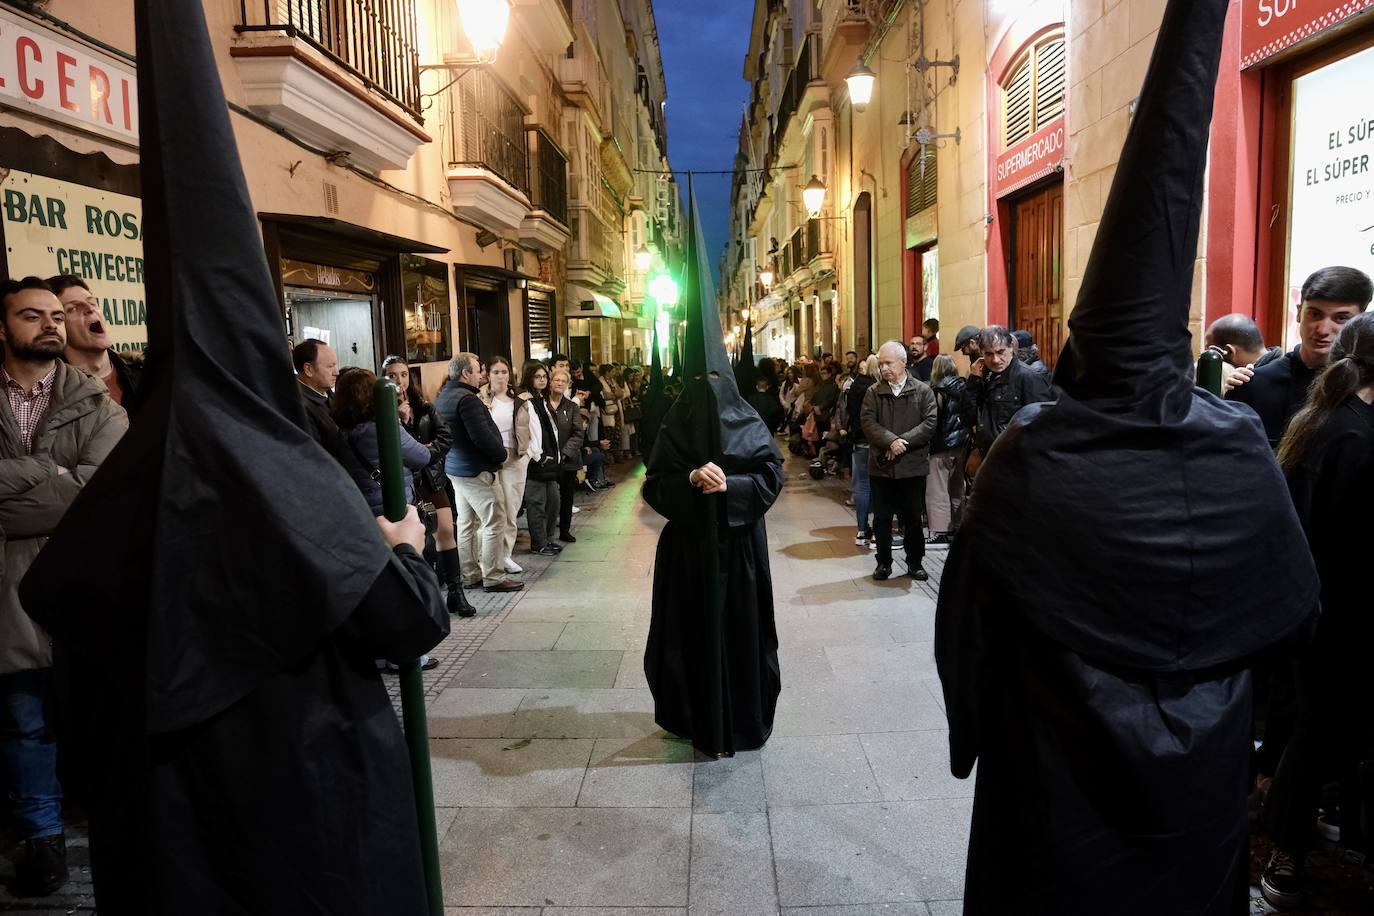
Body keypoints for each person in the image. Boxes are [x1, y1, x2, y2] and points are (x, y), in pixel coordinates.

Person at [16, 2, 452, 906]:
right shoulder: (286, 470)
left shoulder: (129, 475)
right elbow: (406, 621)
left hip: (166, 846)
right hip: (309, 819)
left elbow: (66, 628)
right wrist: (398, 547)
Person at [934, 0, 1319, 908]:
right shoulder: (1236, 444)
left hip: (1057, 760)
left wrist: (973, 731)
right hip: (1208, 766)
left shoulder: (1038, 449)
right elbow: (1294, 607)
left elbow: (972, 615)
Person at [643, 181, 783, 758]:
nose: (706, 392)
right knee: (687, 640)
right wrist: (689, 483)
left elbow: (771, 474)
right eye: (698, 383)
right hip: (687, 555)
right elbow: (655, 483)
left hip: (740, 553)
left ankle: (742, 720)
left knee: (742, 639)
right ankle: (691, 714)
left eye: (713, 383)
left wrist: (734, 486)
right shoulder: (677, 422)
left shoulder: (746, 417)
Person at [0, 276, 127, 896]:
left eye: (57, 315)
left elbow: (98, 492)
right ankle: (43, 842)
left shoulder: (102, 406)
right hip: (7, 593)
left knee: (93, 718)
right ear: (3, 329)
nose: (50, 324)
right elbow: (71, 486)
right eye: (33, 316)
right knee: (26, 722)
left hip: (82, 585)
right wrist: (49, 472)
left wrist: (15, 494)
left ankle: (117, 829)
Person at [1260, 311, 1374, 908]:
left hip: (1320, 612)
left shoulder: (1330, 419)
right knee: (1319, 733)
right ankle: (1286, 851)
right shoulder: (1354, 434)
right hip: (1340, 618)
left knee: (1320, 731)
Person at [1229, 265, 1372, 447]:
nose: (1322, 330)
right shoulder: (1255, 384)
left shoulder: (1365, 388)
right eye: (1314, 314)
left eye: (1341, 318)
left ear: (1359, 321)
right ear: (1299, 312)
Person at [382, 356, 473, 617]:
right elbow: (394, 448)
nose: (399, 381)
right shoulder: (382, 410)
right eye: (392, 375)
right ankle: (428, 599)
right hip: (404, 483)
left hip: (430, 477)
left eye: (403, 374)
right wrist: (399, 419)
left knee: (446, 529)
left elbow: (445, 436)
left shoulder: (424, 407)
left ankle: (457, 594)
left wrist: (426, 452)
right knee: (419, 540)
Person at [436, 352, 522, 594]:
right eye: (478, 370)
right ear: (465, 373)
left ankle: (470, 573)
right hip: (476, 470)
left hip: (456, 469)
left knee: (466, 523)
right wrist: (502, 455)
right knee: (494, 520)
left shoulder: (443, 396)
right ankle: (494, 576)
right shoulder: (468, 399)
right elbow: (482, 437)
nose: (481, 374)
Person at [860, 340, 937, 581]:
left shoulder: (922, 391)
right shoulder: (873, 392)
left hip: (911, 467)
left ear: (903, 363)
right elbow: (868, 423)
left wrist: (901, 442)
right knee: (882, 519)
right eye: (881, 364)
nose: (884, 368)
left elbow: (930, 422)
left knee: (913, 519)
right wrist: (890, 441)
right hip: (882, 467)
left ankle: (915, 562)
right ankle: (883, 563)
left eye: (888, 363)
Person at [48, 274, 144, 412]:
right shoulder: (51, 395)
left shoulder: (144, 376)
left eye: (92, 302)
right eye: (73, 308)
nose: (89, 308)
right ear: (58, 326)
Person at [481, 356, 540, 575]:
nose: (500, 376)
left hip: (515, 457)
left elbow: (534, 427)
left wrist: (530, 454)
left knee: (511, 508)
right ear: (488, 374)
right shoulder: (480, 398)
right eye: (496, 372)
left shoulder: (520, 399)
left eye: (504, 372)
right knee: (492, 510)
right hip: (490, 459)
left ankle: (506, 555)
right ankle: (487, 556)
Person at [966, 325, 1053, 467]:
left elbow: (1042, 429)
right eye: (989, 354)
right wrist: (973, 380)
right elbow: (967, 417)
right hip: (988, 461)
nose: (995, 359)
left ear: (1011, 347)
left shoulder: (1029, 377)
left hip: (1016, 464)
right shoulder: (983, 376)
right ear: (982, 353)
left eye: (1001, 352)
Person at [520, 360, 563, 556]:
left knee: (553, 501)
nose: (542, 380)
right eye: (537, 377)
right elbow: (526, 432)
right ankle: (539, 542)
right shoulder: (525, 399)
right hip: (535, 460)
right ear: (529, 378)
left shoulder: (541, 399)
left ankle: (548, 539)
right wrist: (538, 456)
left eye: (544, 377)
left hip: (549, 457)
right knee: (536, 504)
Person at [925, 354, 968, 548]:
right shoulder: (964, 387)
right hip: (961, 444)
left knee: (938, 489)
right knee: (957, 488)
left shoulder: (936, 390)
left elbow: (933, 422)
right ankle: (958, 527)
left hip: (941, 445)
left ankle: (941, 531)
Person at [546, 365, 585, 543]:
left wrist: (565, 452)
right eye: (557, 380)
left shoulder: (571, 407)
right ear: (550, 382)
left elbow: (578, 433)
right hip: (547, 458)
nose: (560, 383)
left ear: (568, 385)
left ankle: (565, 530)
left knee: (567, 496)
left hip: (568, 459)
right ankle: (547, 532)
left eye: (564, 381)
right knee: (549, 497)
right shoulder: (542, 404)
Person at [842, 355, 878, 545]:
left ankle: (862, 530)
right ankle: (878, 530)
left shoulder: (854, 386)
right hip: (876, 442)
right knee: (879, 486)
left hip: (859, 441)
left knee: (862, 486)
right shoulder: (877, 388)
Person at [292, 338, 341, 454]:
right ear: (309, 369)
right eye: (330, 366)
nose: (337, 372)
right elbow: (316, 455)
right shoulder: (299, 408)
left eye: (335, 365)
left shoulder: (330, 394)